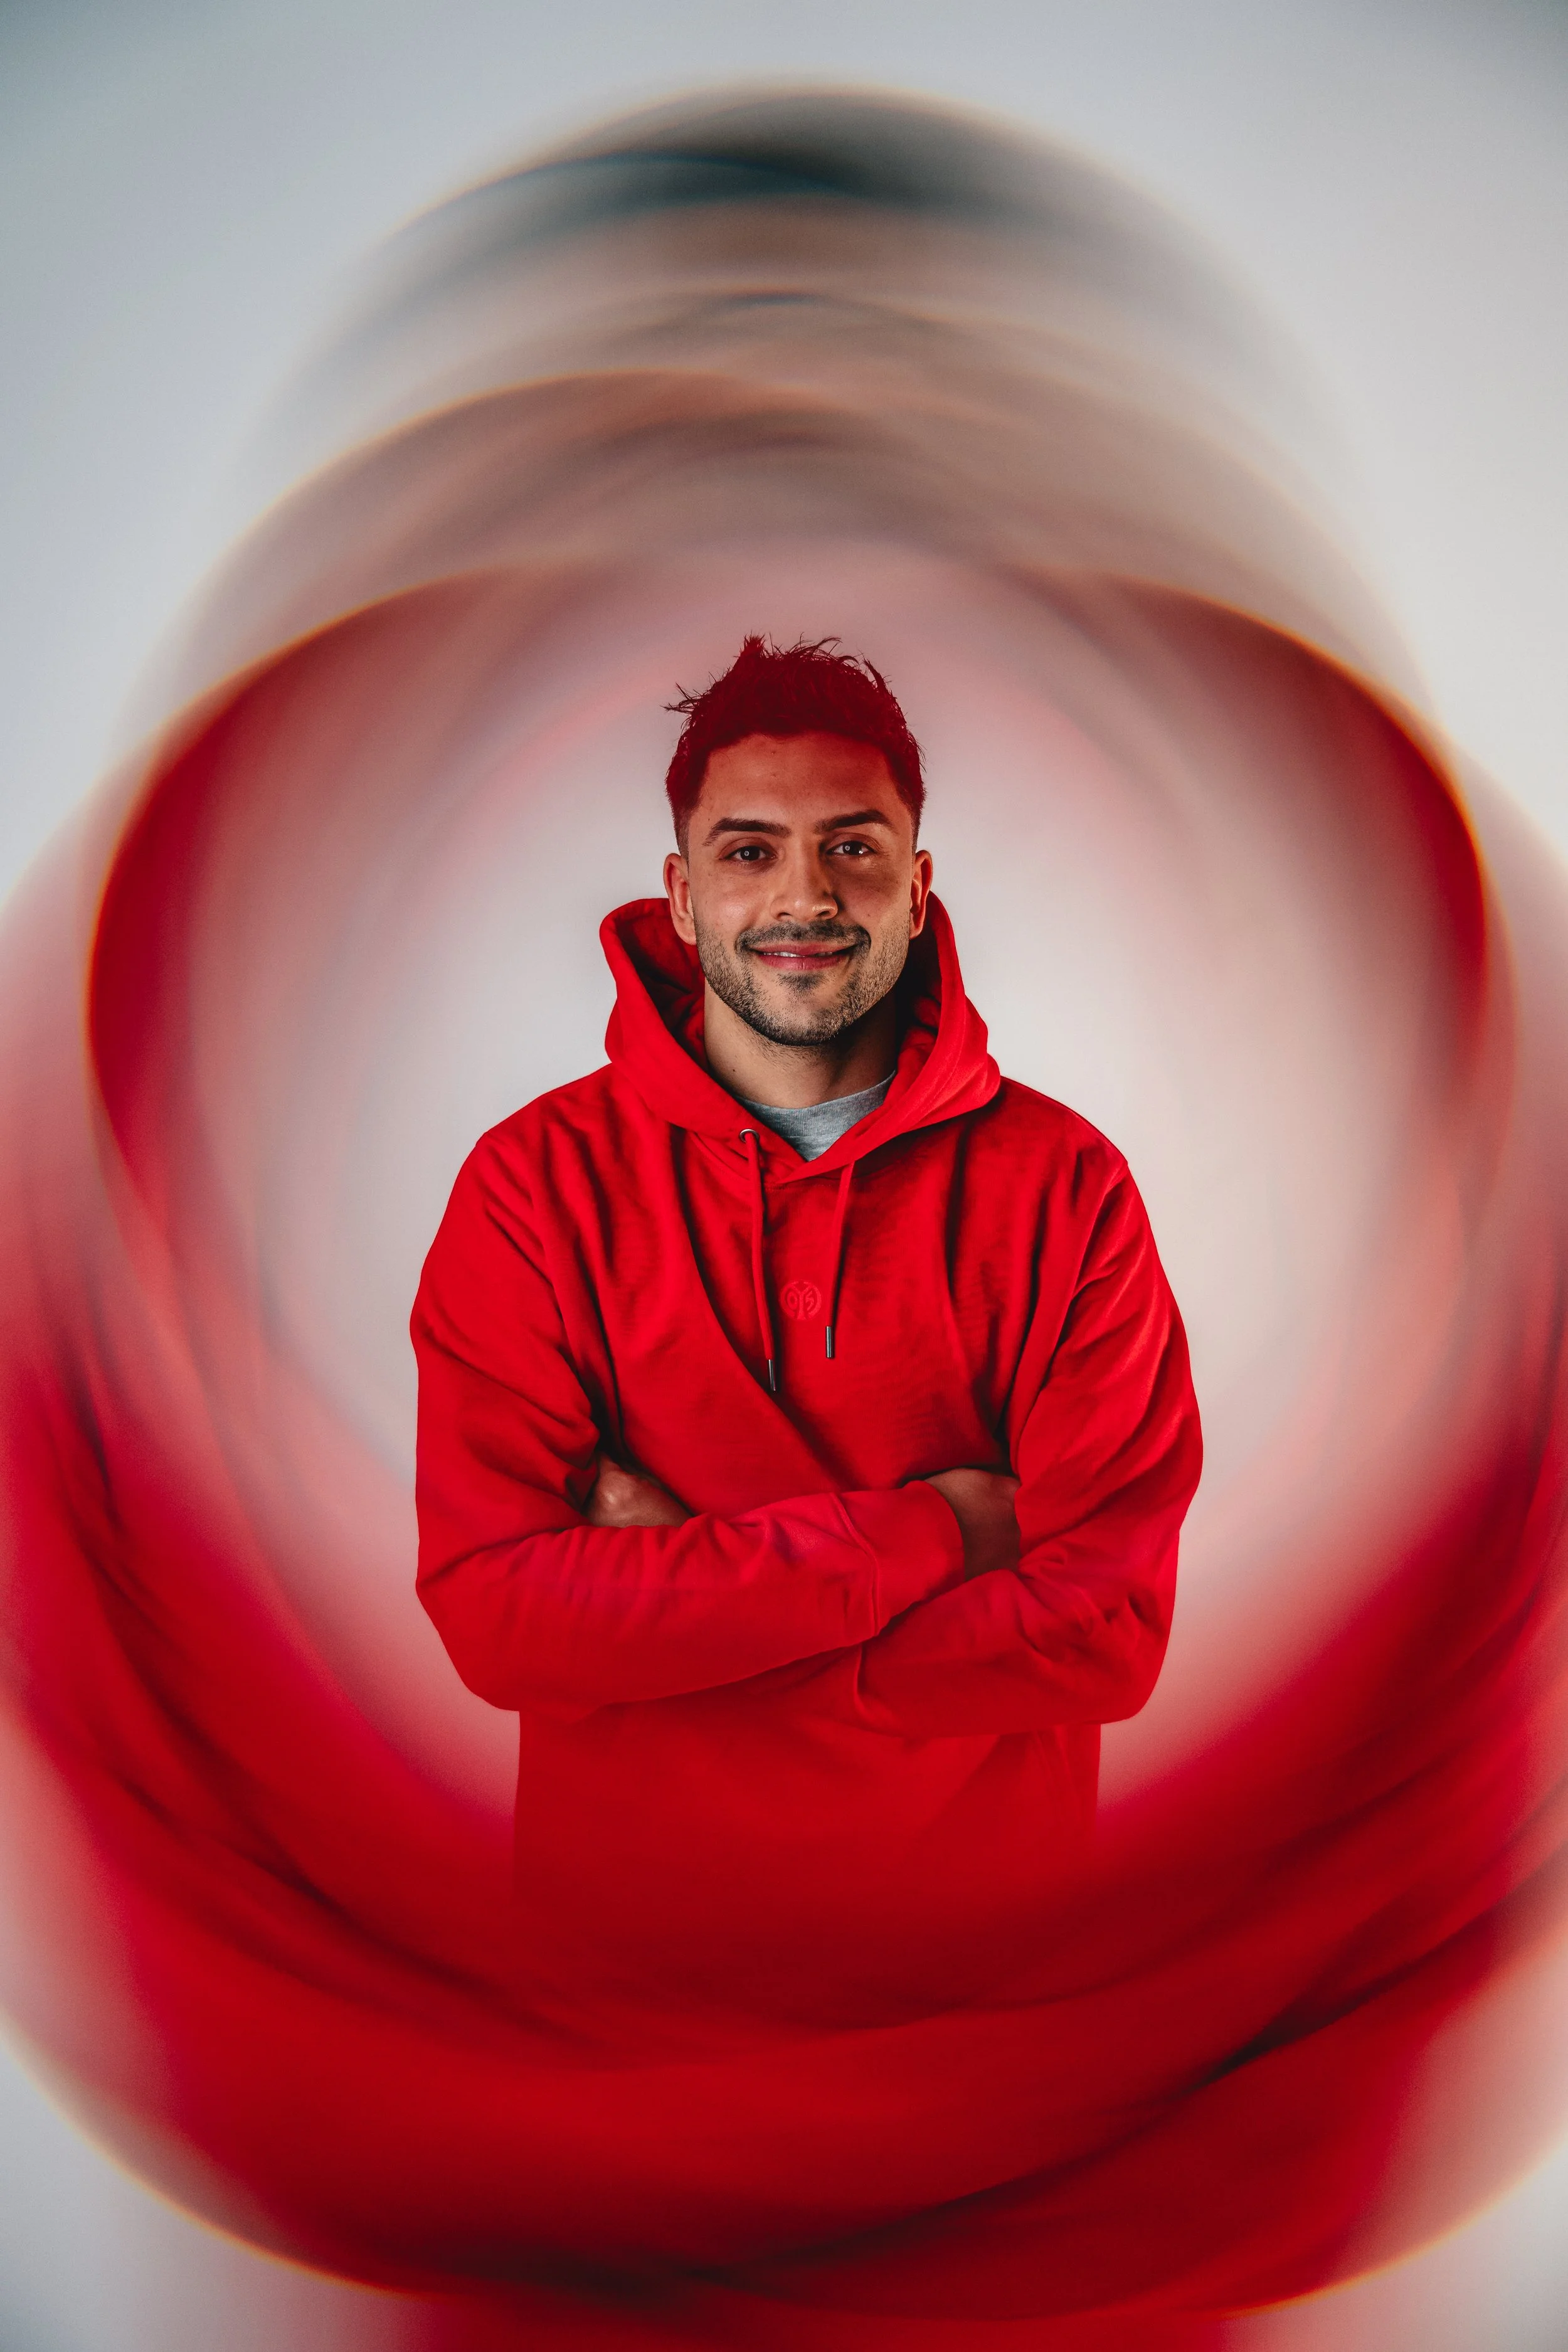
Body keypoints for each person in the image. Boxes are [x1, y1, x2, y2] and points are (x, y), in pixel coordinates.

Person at [411, 635, 1201, 2030]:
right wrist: (938, 1536)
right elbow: (497, 1617)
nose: (802, 896)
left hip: (977, 1992)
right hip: (625, 1993)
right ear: (678, 888)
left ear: (916, 880)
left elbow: (1107, 1633)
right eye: (749, 849)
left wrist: (678, 1625)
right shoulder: (531, 1187)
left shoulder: (1065, 1189)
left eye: (851, 847)